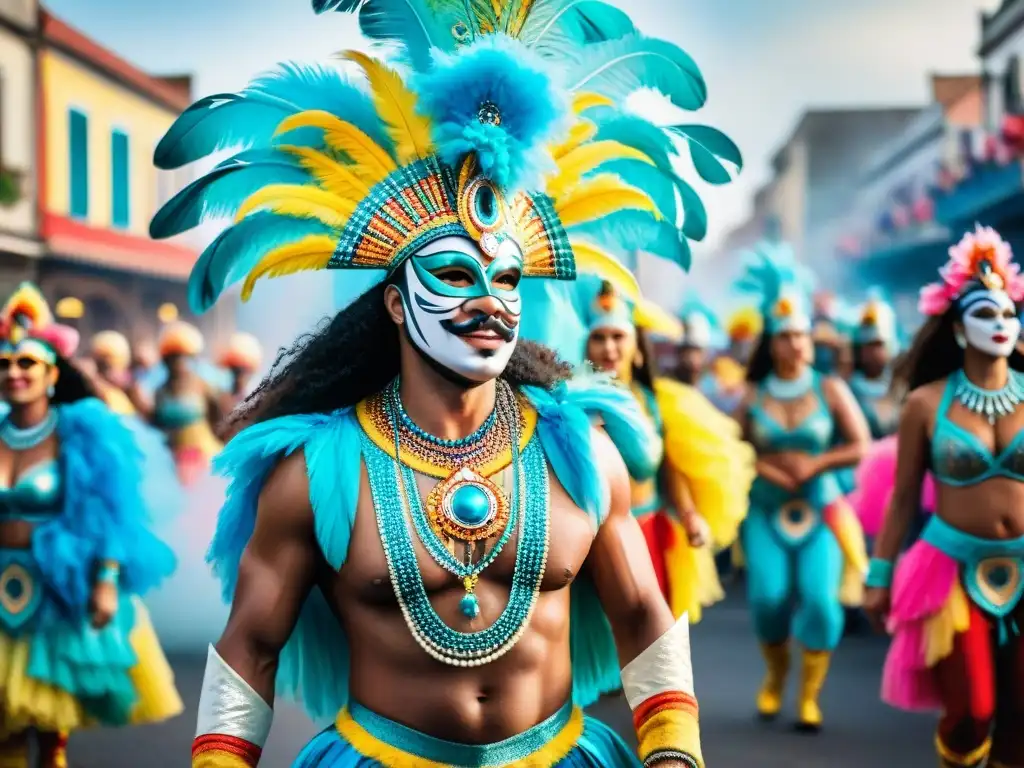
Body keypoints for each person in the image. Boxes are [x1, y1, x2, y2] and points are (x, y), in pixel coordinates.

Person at [150, 0, 736, 764]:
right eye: (456, 275)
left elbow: (643, 615)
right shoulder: (316, 473)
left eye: (508, 279)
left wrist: (673, 753)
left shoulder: (582, 454)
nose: (490, 302)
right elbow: (251, 645)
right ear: (395, 301)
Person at [0, 284, 182, 768]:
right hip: (1, 583)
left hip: (58, 587)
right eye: (4, 364)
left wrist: (105, 581)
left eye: (26, 364)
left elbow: (109, 511)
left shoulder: (81, 431)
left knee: (48, 726)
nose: (14, 373)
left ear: (52, 372)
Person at [865, 225, 1024, 768]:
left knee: (1021, 718)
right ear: (958, 329)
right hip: (952, 570)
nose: (999, 325)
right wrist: (879, 575)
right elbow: (903, 497)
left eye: (1008, 314)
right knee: (971, 711)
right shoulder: (925, 405)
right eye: (985, 314)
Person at [733, 242, 870, 730]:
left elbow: (860, 444)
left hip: (819, 510)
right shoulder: (753, 394)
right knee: (769, 599)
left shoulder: (829, 389)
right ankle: (775, 677)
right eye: (786, 335)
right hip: (767, 511)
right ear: (771, 341)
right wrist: (767, 470)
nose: (796, 343)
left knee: (821, 602)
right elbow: (735, 448)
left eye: (802, 334)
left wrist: (817, 465)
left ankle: (809, 696)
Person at [583, 279, 753, 624]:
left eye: (618, 337)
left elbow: (671, 465)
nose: (609, 348)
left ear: (638, 347)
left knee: (654, 647)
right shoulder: (574, 401)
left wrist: (689, 514)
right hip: (590, 542)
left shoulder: (658, 402)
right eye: (599, 338)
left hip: (647, 532)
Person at [146, 321, 223, 484]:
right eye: (172, 358)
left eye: (182, 357)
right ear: (165, 360)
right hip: (172, 460)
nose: (177, 363)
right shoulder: (160, 391)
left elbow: (218, 420)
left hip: (203, 458)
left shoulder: (202, 386)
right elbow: (157, 424)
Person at [217, 331, 263, 416]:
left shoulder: (255, 399)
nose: (238, 377)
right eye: (234, 370)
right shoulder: (220, 395)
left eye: (241, 371)